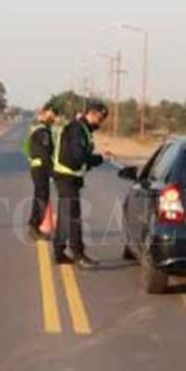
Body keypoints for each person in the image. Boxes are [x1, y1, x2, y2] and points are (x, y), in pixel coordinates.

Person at [51, 101, 110, 268]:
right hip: (66, 177)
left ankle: (59, 252)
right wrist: (99, 159)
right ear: (90, 113)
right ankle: (79, 254)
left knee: (65, 216)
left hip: (68, 177)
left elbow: (80, 157)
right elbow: (79, 156)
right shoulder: (78, 129)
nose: (101, 121)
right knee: (73, 217)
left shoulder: (81, 129)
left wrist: (92, 160)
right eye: (100, 117)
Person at [23, 104, 57, 240]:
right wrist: (52, 172)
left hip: (37, 167)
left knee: (41, 197)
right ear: (45, 113)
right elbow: (45, 153)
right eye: (52, 114)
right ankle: (34, 226)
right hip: (41, 168)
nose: (54, 117)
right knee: (41, 198)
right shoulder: (43, 131)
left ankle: (35, 226)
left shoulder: (38, 129)